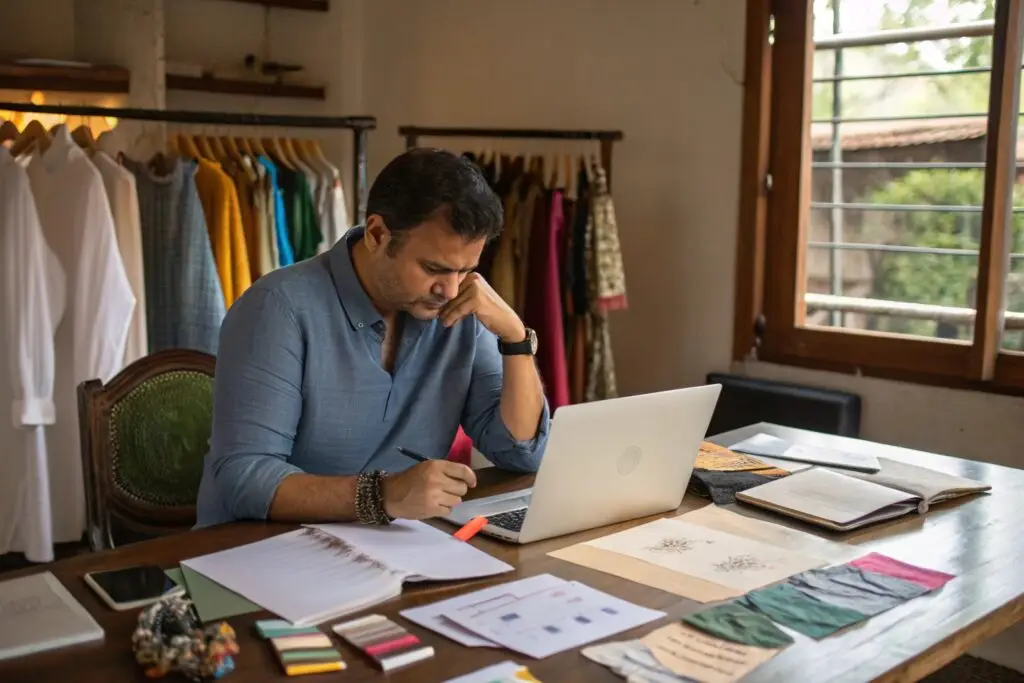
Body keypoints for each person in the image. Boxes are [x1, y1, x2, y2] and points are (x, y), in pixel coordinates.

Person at [194, 148, 550, 528]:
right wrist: (384, 495)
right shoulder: (277, 309)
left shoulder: (460, 307)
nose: (449, 290)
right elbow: (243, 478)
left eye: (465, 271)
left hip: (395, 550)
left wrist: (515, 338)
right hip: (257, 551)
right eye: (434, 268)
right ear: (378, 234)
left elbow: (522, 455)